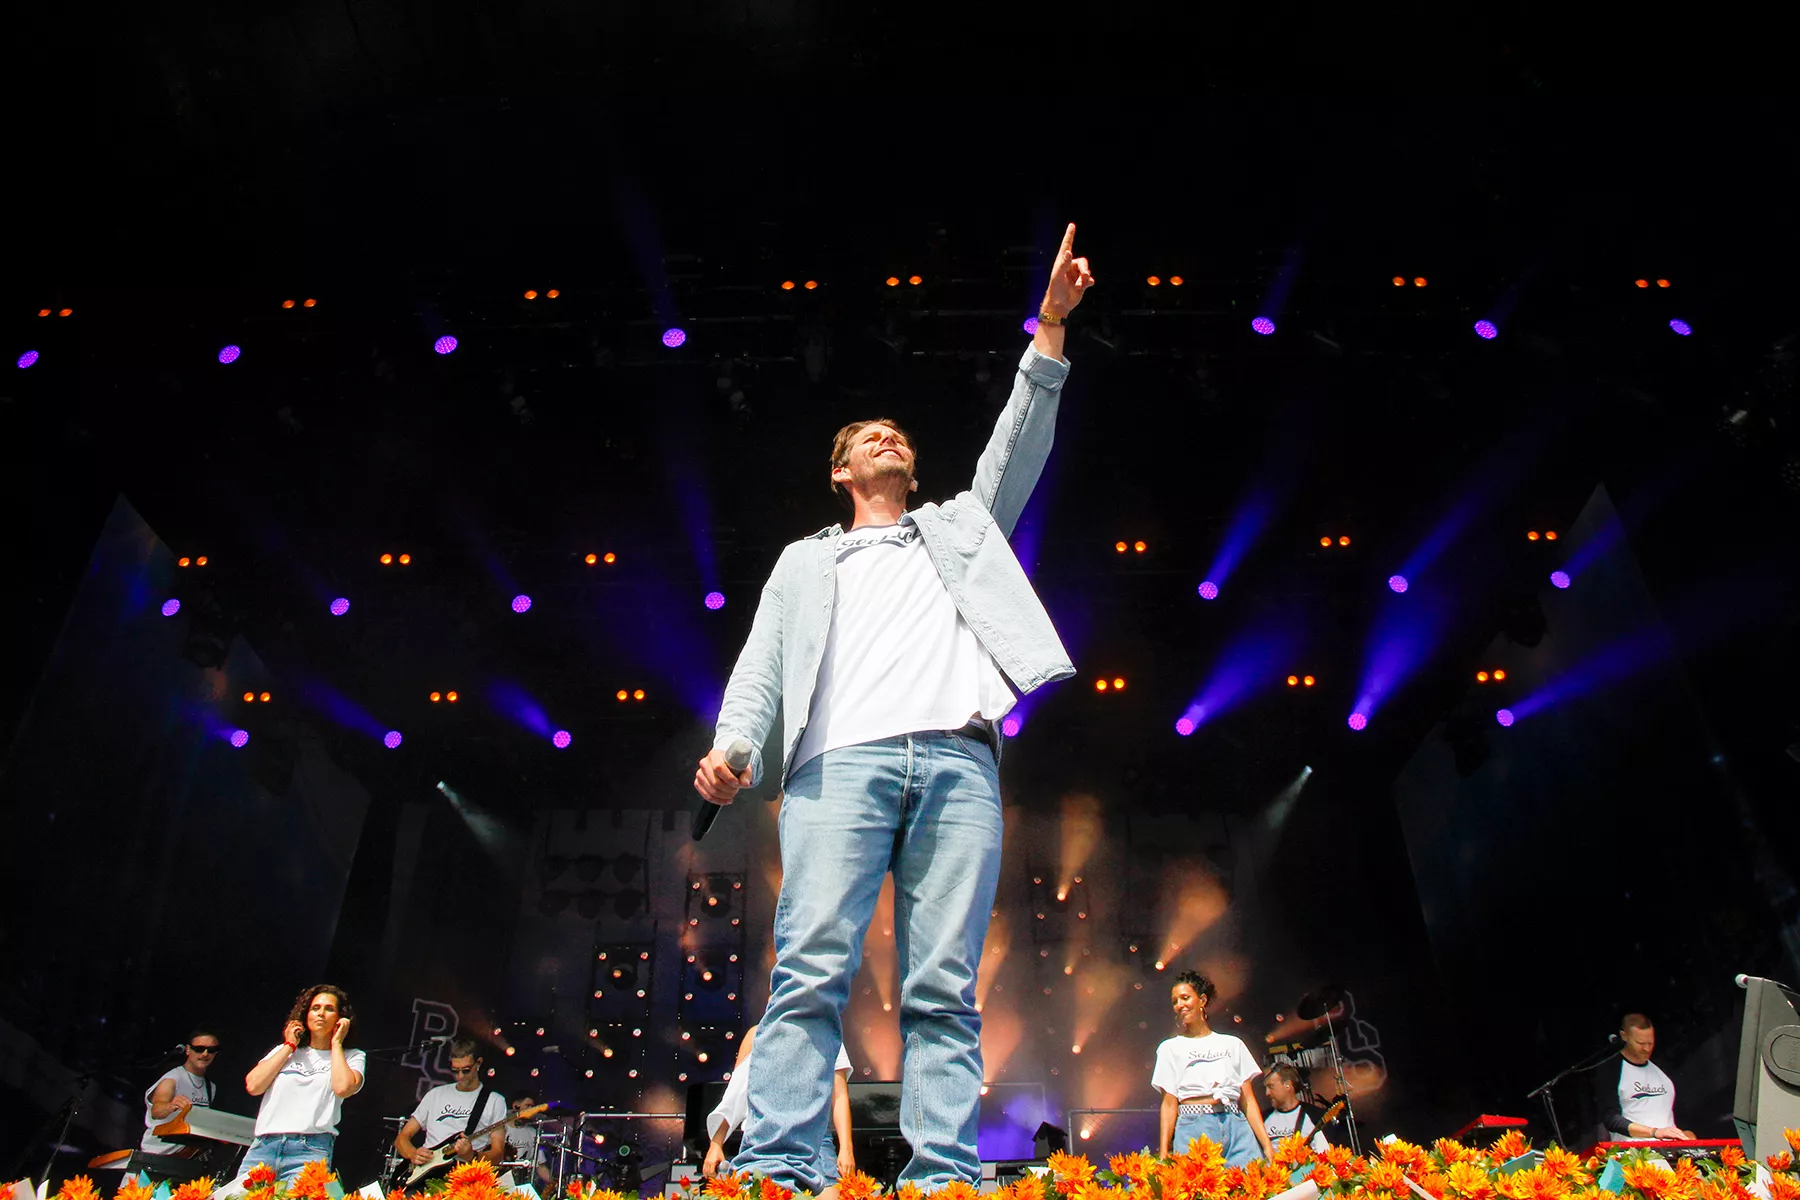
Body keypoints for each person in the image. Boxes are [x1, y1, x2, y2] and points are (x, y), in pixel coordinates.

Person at [693, 224, 1094, 1195]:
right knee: (809, 971)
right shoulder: (806, 561)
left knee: (943, 986)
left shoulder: (960, 529)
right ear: (839, 472)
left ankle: (943, 1174)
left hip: (958, 763)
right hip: (838, 767)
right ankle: (779, 1167)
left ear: (912, 473)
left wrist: (1049, 326)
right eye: (864, 438)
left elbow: (1018, 445)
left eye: (897, 438)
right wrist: (734, 744)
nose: (887, 439)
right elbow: (761, 667)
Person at [238, 984, 365, 1183]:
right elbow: (254, 1086)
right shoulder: (285, 1051)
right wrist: (289, 1045)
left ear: (341, 1018)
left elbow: (343, 1088)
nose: (321, 1013)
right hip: (265, 1145)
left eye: (329, 1009)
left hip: (310, 1149)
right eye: (315, 1008)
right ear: (306, 1015)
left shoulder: (352, 1056)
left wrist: (336, 1043)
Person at [1153, 970, 1275, 1166]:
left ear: (1202, 1000)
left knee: (1248, 1182)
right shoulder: (1169, 1048)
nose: (1179, 1005)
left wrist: (1266, 1144)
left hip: (1236, 1125)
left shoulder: (1232, 1044)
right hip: (1194, 1127)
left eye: (1185, 998)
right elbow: (1169, 1103)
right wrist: (1164, 1150)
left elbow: (1247, 1099)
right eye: (1175, 1001)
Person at [704, 1024, 854, 1181]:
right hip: (762, 1139)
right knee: (765, 1190)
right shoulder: (758, 1033)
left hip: (813, 1139)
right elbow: (736, 1093)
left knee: (825, 1189)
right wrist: (716, 1144)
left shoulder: (827, 1033)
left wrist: (846, 1149)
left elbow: (839, 1096)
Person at [395, 1038, 508, 1176]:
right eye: (455, 1071)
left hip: (465, 1175)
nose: (460, 1076)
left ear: (478, 1063)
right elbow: (402, 1138)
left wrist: (471, 1155)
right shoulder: (435, 1094)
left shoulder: (495, 1101)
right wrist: (413, 1154)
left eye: (466, 1070)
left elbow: (497, 1154)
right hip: (426, 1172)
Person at [1595, 1013, 1696, 1141]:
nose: (1647, 1049)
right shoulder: (1611, 1069)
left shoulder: (1661, 1067)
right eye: (1640, 1043)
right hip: (1633, 1148)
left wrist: (1688, 1133)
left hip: (1670, 1147)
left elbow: (1677, 1110)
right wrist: (1654, 1132)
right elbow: (1610, 1118)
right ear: (1624, 1036)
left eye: (1650, 1043)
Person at [140, 1031, 222, 1156]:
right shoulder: (172, 1078)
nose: (205, 1054)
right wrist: (170, 1106)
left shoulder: (210, 1087)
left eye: (211, 1050)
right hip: (155, 1155)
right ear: (188, 1050)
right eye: (199, 1049)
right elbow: (156, 1111)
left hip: (185, 1156)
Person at [1260, 1063, 1328, 1153]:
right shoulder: (1261, 1119)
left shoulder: (1315, 1116)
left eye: (1271, 1086)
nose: (1267, 1093)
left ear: (1288, 1085)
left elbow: (1325, 1153)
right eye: (1265, 1088)